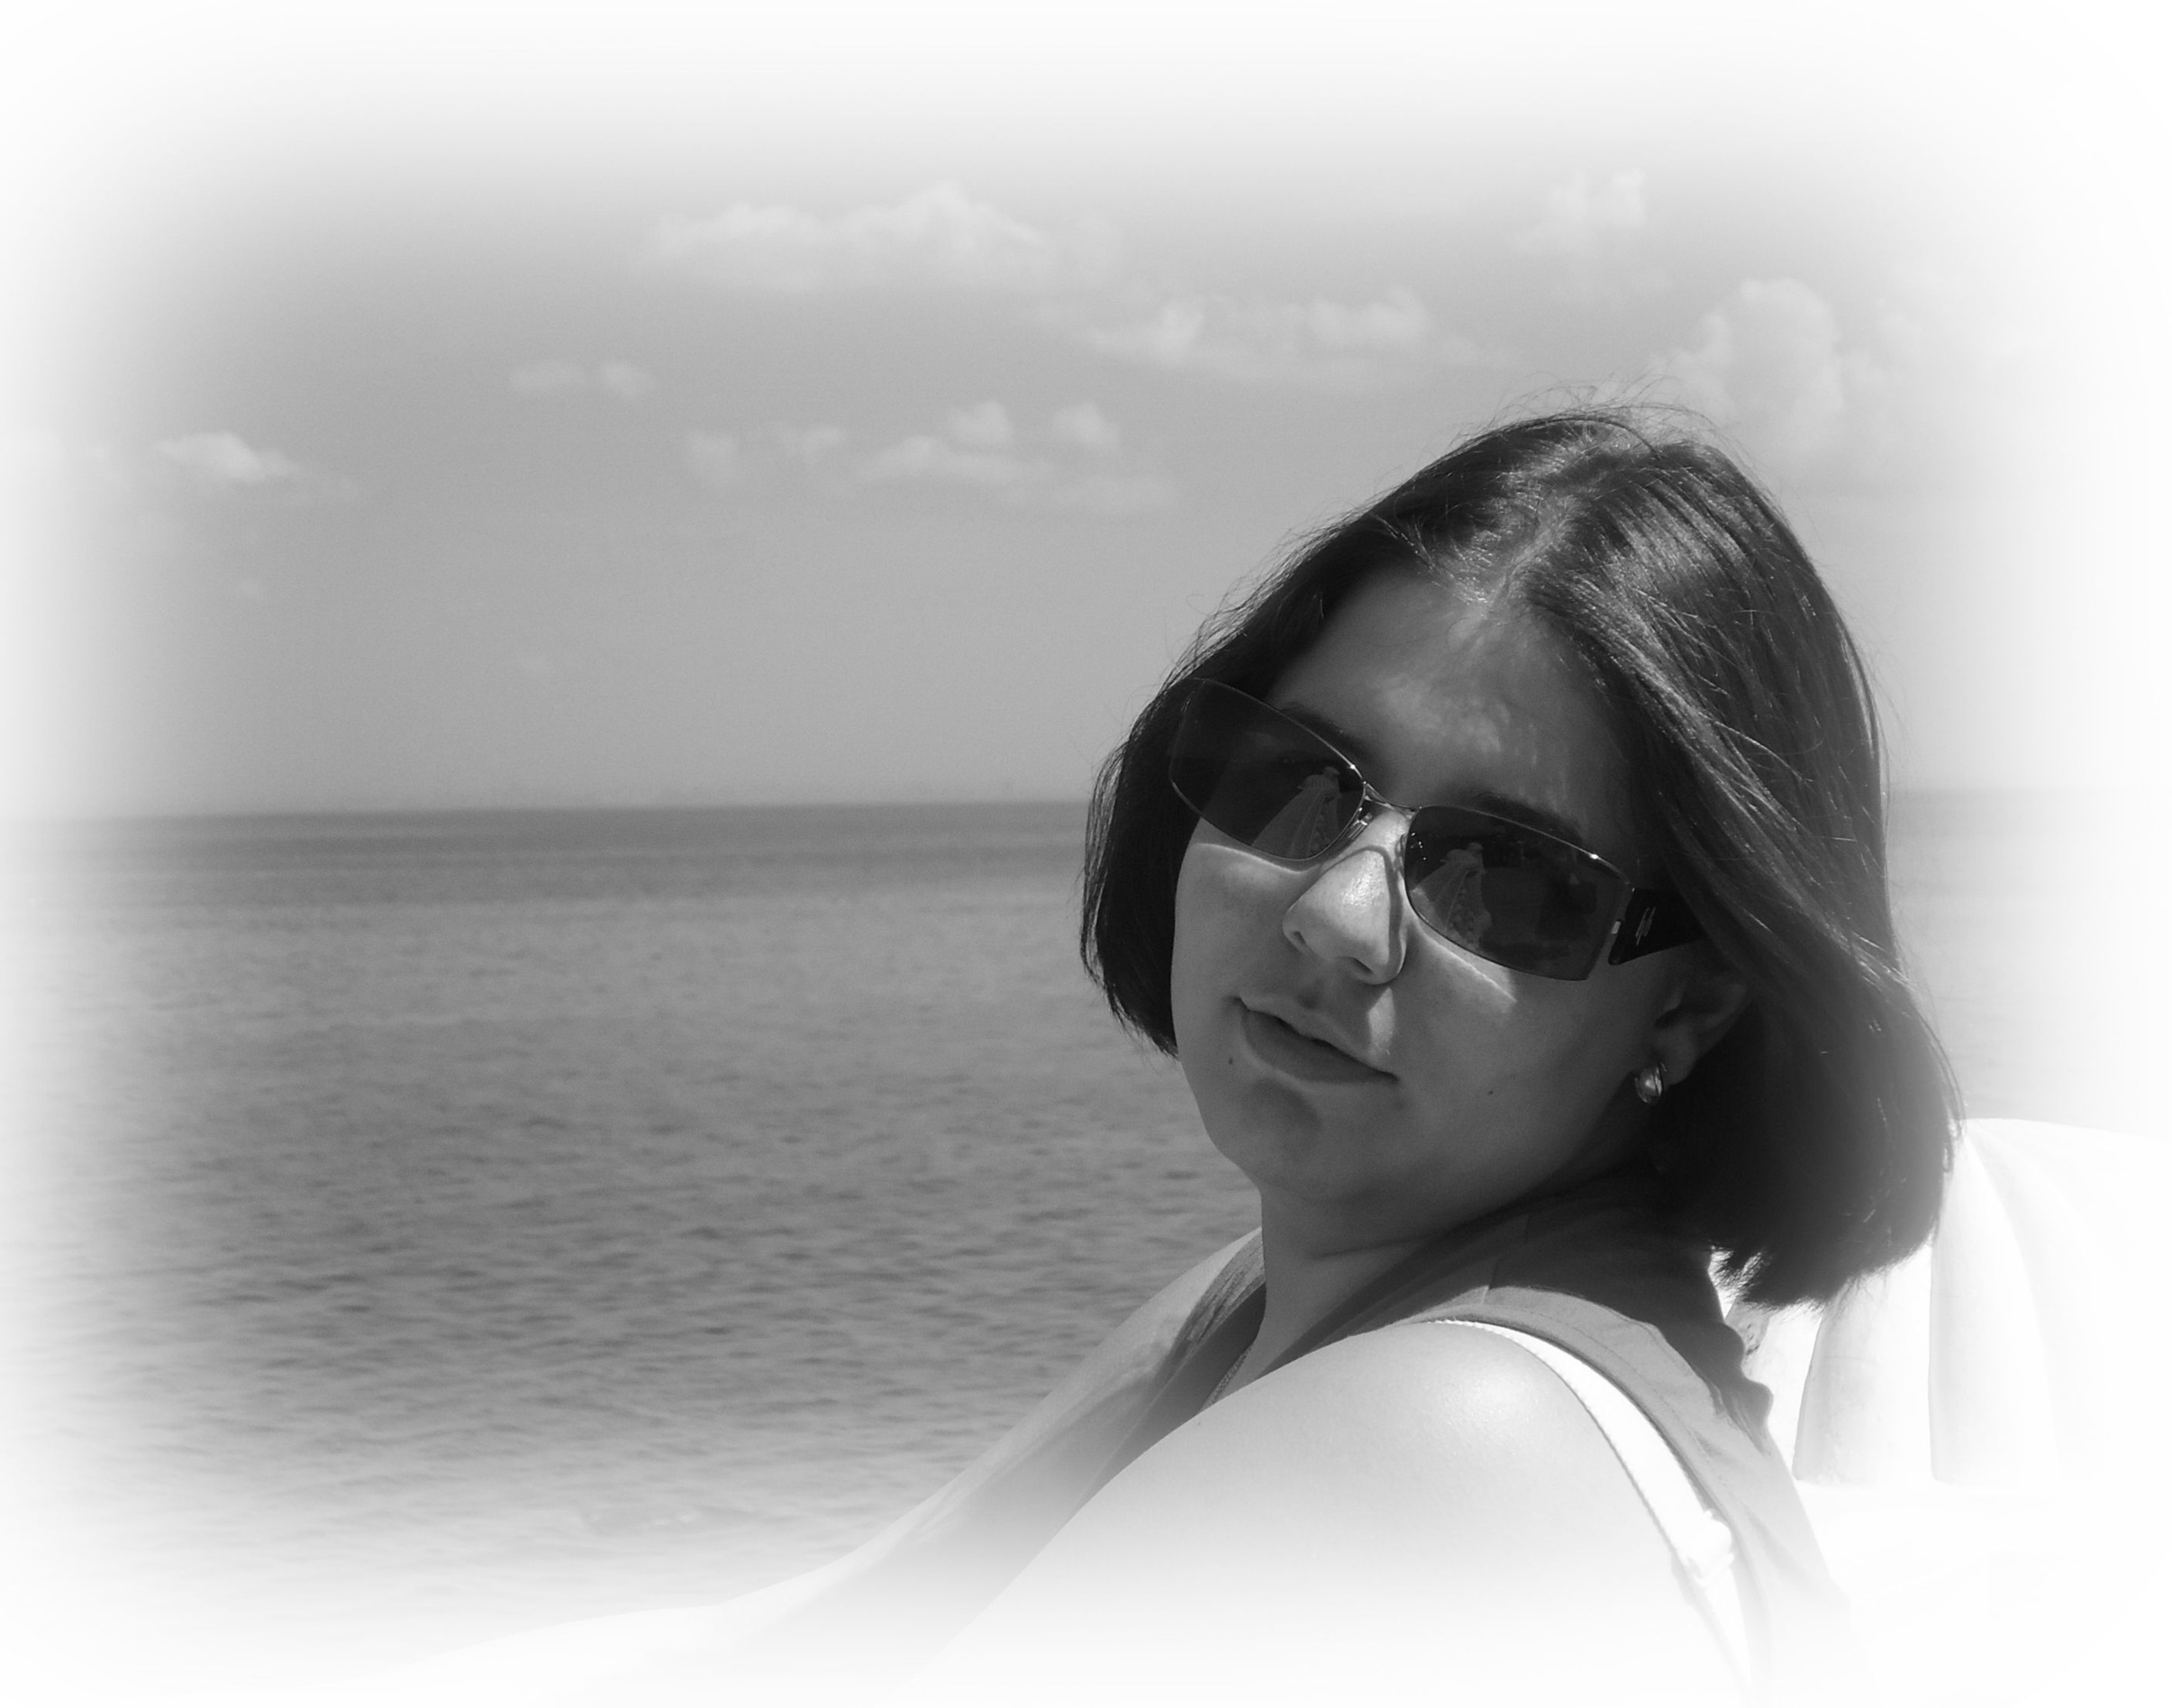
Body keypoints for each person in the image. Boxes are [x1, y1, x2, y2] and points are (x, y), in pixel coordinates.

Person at [356, 406, 1956, 1707]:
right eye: (1299, 783)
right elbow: (833, 1631)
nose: (1337, 913)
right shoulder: (1265, 1308)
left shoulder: (1451, 1434)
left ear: (1688, 1008)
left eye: (1510, 882)